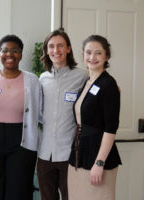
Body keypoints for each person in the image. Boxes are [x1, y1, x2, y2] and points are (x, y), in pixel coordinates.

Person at [0, 34, 42, 200]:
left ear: (21, 54)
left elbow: (42, 111)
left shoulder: (32, 80)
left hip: (22, 140)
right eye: (5, 50)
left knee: (18, 189)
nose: (9, 54)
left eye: (14, 50)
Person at [68, 35, 122, 200]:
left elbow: (110, 127)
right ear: (83, 55)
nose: (92, 57)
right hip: (79, 154)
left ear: (107, 56)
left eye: (98, 53)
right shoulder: (88, 82)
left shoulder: (108, 84)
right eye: (88, 52)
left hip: (98, 159)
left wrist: (99, 163)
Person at [37, 29, 88, 200]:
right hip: (45, 154)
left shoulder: (82, 76)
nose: (55, 50)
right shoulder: (42, 79)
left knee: (71, 197)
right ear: (46, 50)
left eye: (60, 46)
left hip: (70, 153)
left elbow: (96, 96)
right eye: (51, 46)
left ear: (68, 49)